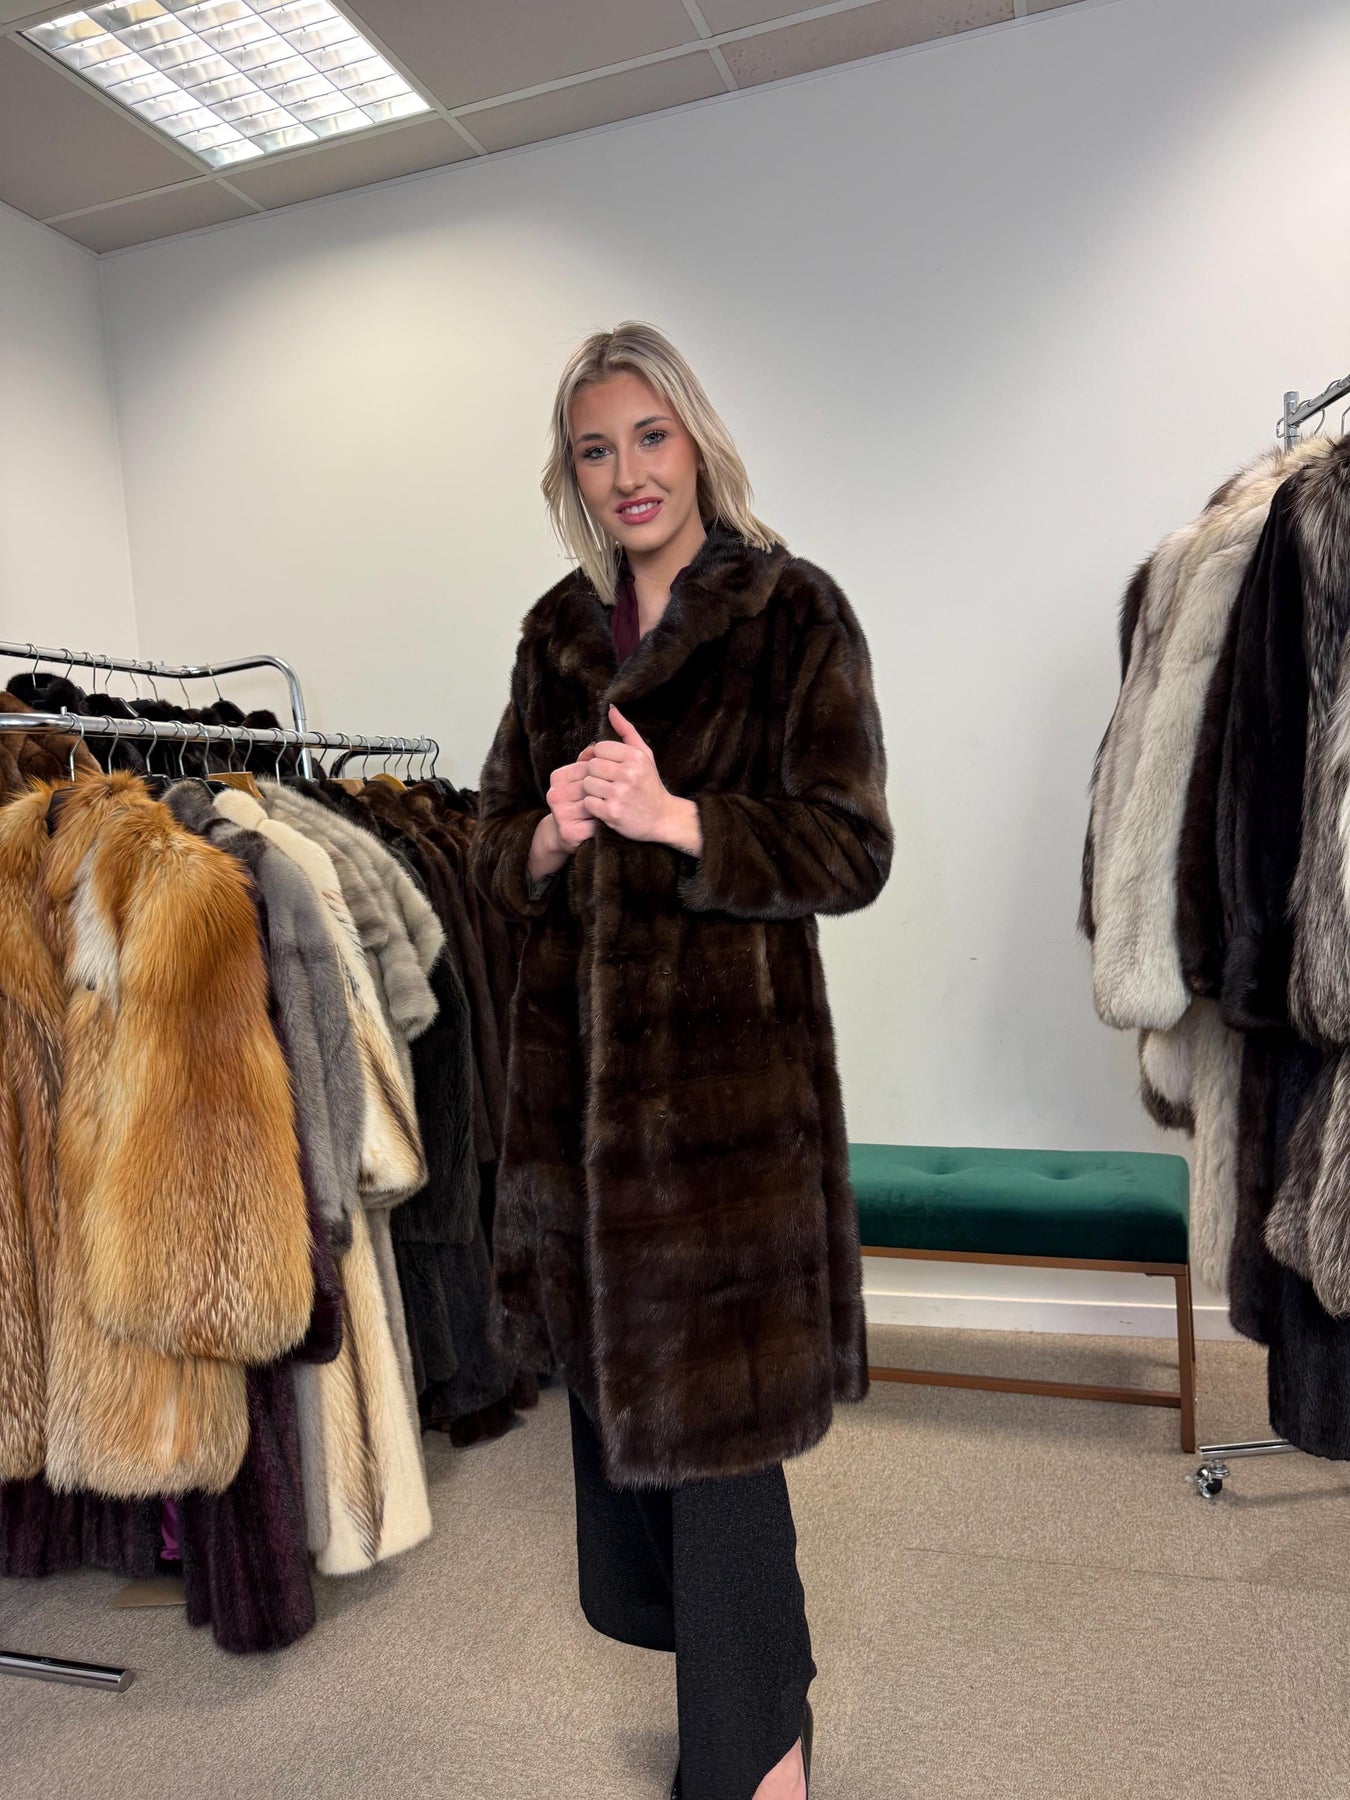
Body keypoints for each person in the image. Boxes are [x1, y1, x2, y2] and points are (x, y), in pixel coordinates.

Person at [471, 321, 892, 1800]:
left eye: (649, 436)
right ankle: (755, 1710)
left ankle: (757, 1758)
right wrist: (548, 834)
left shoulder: (792, 611)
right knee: (627, 1438)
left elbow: (850, 850)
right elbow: (489, 846)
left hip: (726, 1120)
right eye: (595, 449)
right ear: (571, 474)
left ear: (696, 442)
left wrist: (675, 818)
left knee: (719, 1452)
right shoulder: (555, 635)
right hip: (575, 1116)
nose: (627, 473)